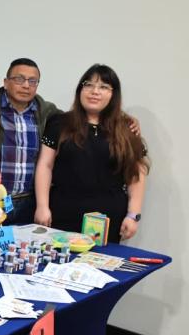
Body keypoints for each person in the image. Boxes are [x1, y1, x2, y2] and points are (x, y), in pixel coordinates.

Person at [34, 64, 149, 243]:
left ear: (113, 94)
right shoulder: (59, 123)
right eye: (89, 85)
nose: (95, 91)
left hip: (109, 220)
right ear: (80, 89)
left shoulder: (126, 128)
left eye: (103, 87)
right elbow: (45, 165)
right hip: (63, 214)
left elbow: (136, 174)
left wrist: (133, 214)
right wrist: (42, 206)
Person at [0, 58, 61, 224]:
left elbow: (79, 118)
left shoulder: (48, 112)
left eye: (32, 81)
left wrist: (125, 118)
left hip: (30, 202)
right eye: (19, 79)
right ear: (6, 82)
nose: (26, 85)